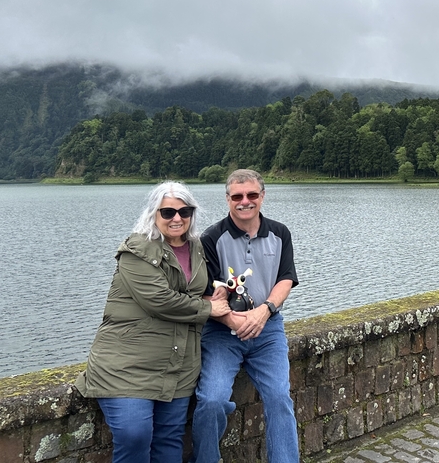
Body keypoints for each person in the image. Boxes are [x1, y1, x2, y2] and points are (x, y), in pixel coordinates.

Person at [76, 181, 230, 463]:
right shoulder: (137, 250)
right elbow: (160, 301)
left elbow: (195, 290)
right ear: (153, 213)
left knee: (169, 439)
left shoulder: (197, 247)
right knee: (134, 435)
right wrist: (210, 309)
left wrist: (216, 294)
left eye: (184, 211)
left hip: (178, 365)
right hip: (128, 365)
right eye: (168, 212)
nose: (177, 218)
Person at [191, 169, 301, 463]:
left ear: (262, 196)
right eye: (237, 196)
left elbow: (286, 278)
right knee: (212, 400)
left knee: (279, 398)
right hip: (222, 333)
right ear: (227, 199)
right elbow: (205, 294)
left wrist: (265, 311)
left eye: (252, 194)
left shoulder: (280, 233)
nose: (245, 201)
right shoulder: (210, 238)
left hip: (268, 330)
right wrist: (234, 321)